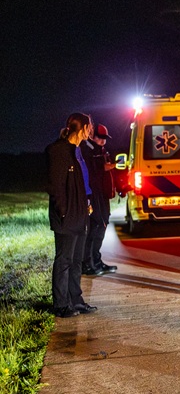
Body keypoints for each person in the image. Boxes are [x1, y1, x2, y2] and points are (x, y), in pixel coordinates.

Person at [45, 113, 99, 317]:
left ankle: (75, 300)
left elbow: (81, 184)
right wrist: (64, 212)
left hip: (81, 213)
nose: (91, 131)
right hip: (67, 216)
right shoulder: (58, 150)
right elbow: (55, 187)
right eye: (90, 127)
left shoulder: (78, 151)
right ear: (83, 128)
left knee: (77, 260)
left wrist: (87, 203)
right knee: (64, 260)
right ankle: (60, 304)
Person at [80, 123, 118, 275]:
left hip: (102, 195)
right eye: (100, 138)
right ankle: (87, 263)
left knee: (101, 225)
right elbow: (93, 172)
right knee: (95, 227)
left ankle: (96, 260)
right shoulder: (88, 151)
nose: (103, 141)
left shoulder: (100, 151)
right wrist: (107, 166)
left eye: (105, 138)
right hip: (95, 195)